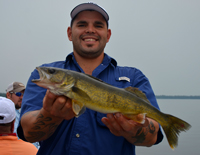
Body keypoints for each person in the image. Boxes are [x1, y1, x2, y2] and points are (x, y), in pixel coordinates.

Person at [17, 2, 163, 155]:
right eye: (82, 24)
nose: (90, 30)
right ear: (69, 33)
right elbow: (28, 133)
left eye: (98, 26)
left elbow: (152, 137)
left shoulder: (134, 78)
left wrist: (135, 129)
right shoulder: (41, 80)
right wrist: (50, 115)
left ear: (108, 35)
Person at [6, 82, 40, 149]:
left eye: (24, 94)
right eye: (18, 94)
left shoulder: (20, 114)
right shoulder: (6, 116)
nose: (22, 97)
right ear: (8, 95)